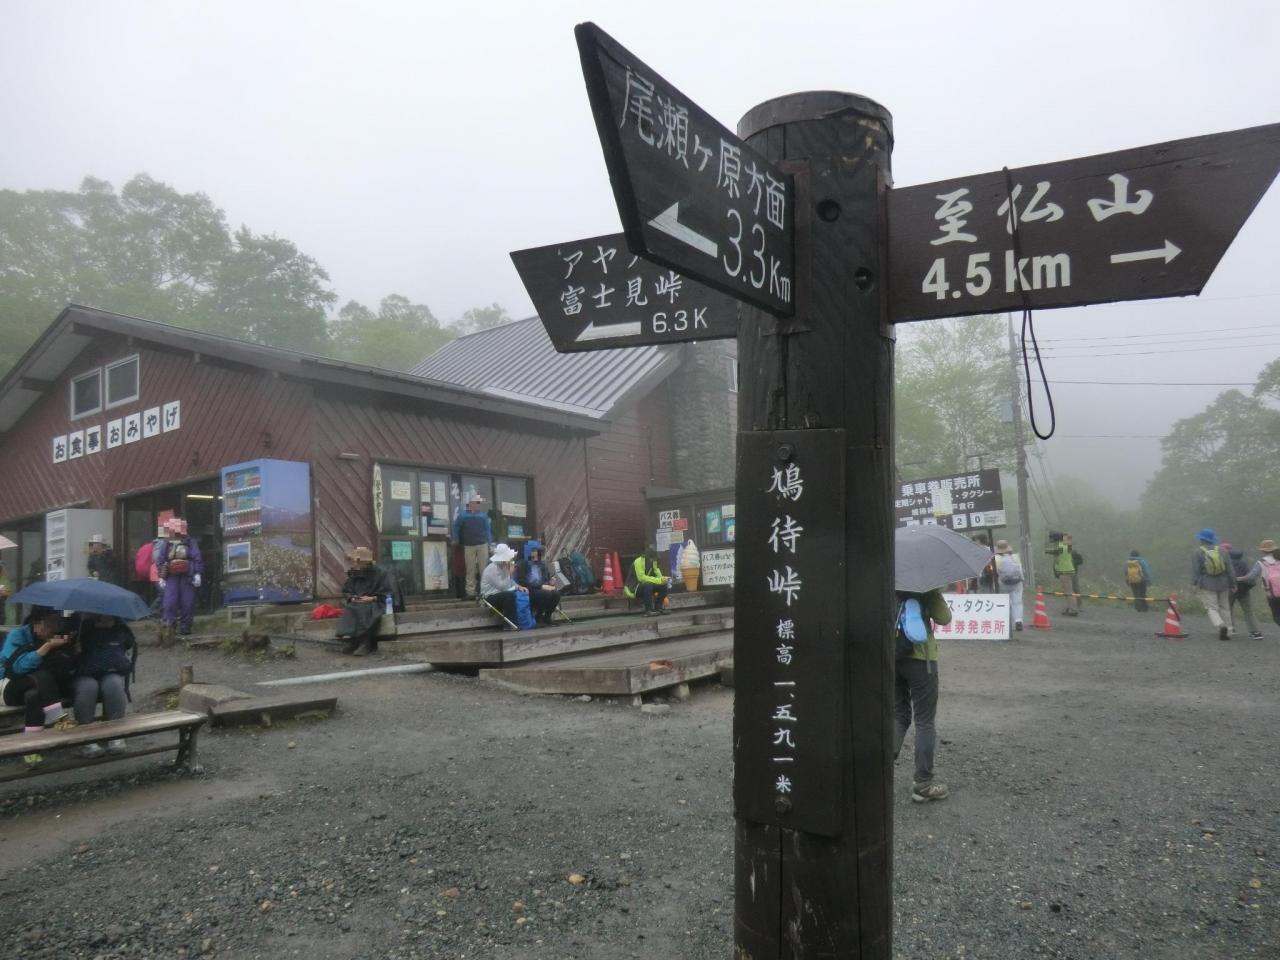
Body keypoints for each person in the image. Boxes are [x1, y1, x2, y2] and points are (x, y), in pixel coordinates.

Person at [894, 588, 952, 803]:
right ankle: (923, 784)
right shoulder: (926, 586)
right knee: (924, 721)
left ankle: (878, 770)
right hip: (921, 661)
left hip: (892, 657)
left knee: (898, 715)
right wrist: (932, 596)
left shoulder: (888, 581)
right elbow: (944, 617)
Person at [0, 608, 75, 764]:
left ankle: (31, 749)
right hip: (6, 686)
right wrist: (46, 647)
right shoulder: (18, 635)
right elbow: (16, 668)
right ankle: (59, 719)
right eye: (49, 624)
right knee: (42, 676)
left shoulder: (55, 636)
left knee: (33, 696)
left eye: (56, 623)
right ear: (35, 623)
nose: (53, 628)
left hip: (33, 688)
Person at [72, 614, 136, 756]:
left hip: (109, 669)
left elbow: (129, 642)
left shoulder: (118, 622)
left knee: (114, 684)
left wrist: (113, 628)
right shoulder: (75, 621)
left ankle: (115, 733)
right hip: (82, 672)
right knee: (88, 687)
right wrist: (73, 644)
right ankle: (85, 737)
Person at [335, 546, 394, 655]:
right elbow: (346, 591)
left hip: (377, 602)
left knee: (364, 609)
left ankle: (365, 643)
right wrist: (352, 598)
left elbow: (389, 593)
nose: (354, 563)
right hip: (358, 602)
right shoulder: (355, 572)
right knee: (351, 607)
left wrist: (371, 598)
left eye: (356, 561)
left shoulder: (381, 573)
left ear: (364, 562)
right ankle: (353, 640)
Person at [154, 517, 202, 637]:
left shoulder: (190, 542)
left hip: (187, 575)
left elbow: (197, 558)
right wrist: (162, 576)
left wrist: (197, 573)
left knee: (188, 602)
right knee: (169, 602)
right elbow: (160, 560)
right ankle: (169, 626)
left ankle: (185, 627)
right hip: (171, 576)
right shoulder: (166, 543)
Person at [1191, 528, 1235, 641]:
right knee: (1225, 607)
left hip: (1207, 584)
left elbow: (1196, 571)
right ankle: (1229, 631)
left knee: (1211, 607)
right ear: (1213, 539)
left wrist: (1194, 584)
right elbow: (1230, 569)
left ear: (1201, 539)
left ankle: (1220, 624)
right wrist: (1233, 583)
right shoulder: (1223, 551)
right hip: (1224, 583)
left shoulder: (1198, 552)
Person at [452, 494, 493, 599]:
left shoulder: (483, 516)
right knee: (470, 569)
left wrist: (489, 543)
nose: (478, 505)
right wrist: (456, 539)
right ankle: (470, 592)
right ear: (470, 503)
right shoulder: (462, 516)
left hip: (482, 544)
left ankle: (485, 591)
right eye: (477, 502)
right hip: (468, 545)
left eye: (479, 503)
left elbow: (487, 530)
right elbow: (456, 528)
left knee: (484, 569)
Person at [1223, 543, 1264, 640]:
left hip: (1230, 589)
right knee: (1248, 611)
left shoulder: (1227, 563)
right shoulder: (1244, 563)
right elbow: (1250, 576)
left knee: (1228, 610)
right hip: (1244, 590)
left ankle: (1231, 629)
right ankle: (1255, 632)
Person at [514, 540, 561, 626]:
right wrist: (539, 586)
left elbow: (546, 578)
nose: (536, 554)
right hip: (528, 590)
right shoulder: (522, 564)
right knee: (545, 593)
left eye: (538, 552)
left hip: (541, 588)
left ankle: (547, 617)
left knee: (556, 594)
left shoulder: (542, 564)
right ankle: (538, 617)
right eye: (534, 551)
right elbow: (521, 581)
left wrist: (550, 582)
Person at [479, 543, 527, 626]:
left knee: (521, 593)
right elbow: (503, 587)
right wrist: (510, 573)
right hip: (489, 596)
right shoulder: (492, 568)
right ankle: (510, 623)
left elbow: (510, 582)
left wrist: (518, 587)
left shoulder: (503, 566)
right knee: (509, 595)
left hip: (499, 593)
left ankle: (523, 620)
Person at [1238, 538, 1280, 627]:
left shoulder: (1261, 562)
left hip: (1272, 593)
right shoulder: (1278, 559)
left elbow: (1252, 576)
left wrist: (1241, 578)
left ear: (1263, 551)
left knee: (1277, 616)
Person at [993, 540, 1024, 631]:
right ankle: (1018, 621)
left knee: (1003, 602)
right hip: (1017, 583)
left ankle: (1004, 621)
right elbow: (1020, 571)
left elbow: (995, 573)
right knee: (1017, 602)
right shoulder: (1015, 557)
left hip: (1002, 583)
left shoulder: (996, 558)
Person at [629, 546, 670, 616]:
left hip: (647, 585)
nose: (653, 559)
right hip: (634, 587)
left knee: (663, 586)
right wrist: (658, 580)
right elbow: (641, 578)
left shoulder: (653, 561)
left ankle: (658, 608)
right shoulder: (638, 561)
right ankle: (648, 610)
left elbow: (657, 571)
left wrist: (663, 579)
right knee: (648, 585)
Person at [1046, 534, 1078, 615]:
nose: (1063, 541)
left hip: (1065, 572)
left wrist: (1054, 543)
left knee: (1068, 592)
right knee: (1067, 591)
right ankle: (1069, 607)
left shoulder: (1062, 547)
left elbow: (1049, 551)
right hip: (1068, 571)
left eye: (1065, 540)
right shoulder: (1068, 548)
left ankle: (1073, 609)